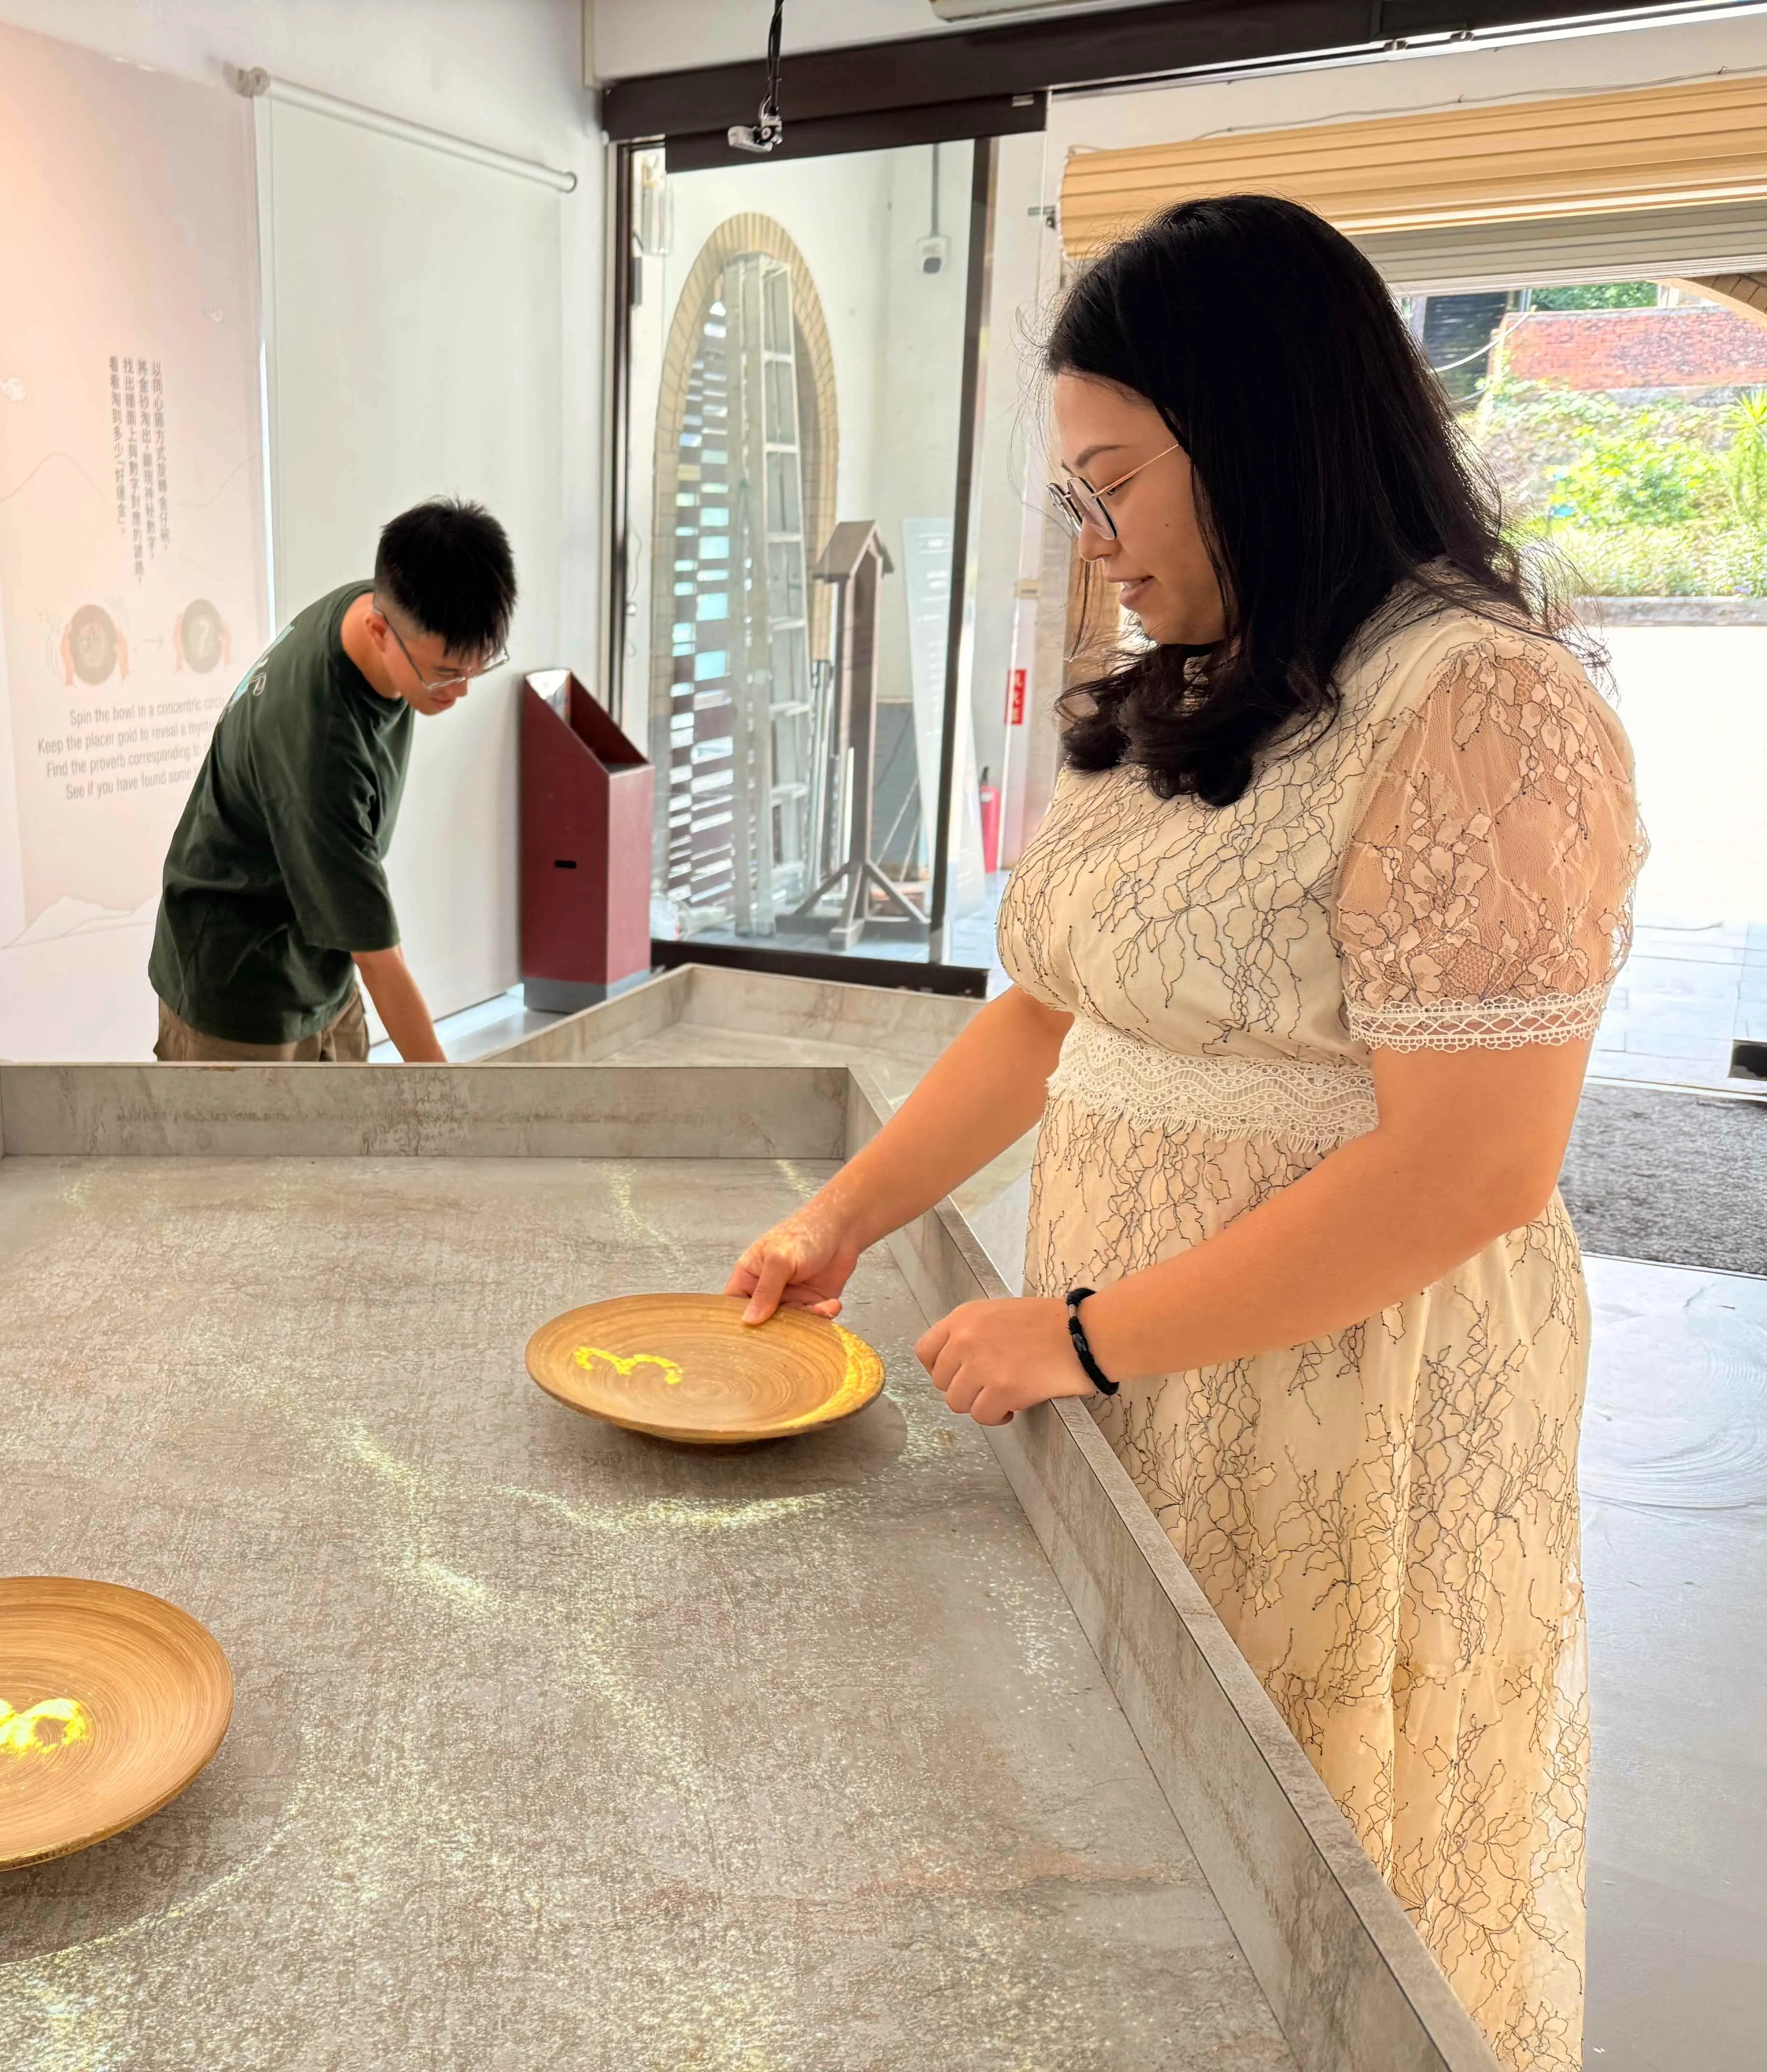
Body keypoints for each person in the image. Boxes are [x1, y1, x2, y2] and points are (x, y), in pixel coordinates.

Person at [725, 196, 1639, 2072]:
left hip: (1336, 1398)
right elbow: (1049, 1021)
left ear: (1271, 435)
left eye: (1119, 484)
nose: (1102, 544)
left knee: (1306, 1851)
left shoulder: (1483, 709)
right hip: (1144, 1364)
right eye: (1077, 499)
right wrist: (848, 1218)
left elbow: (1474, 1168)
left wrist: (1075, 1338)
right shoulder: (1201, 687)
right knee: (1138, 1813)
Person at [148, 499, 515, 1065]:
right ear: (380, 630)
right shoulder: (321, 748)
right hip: (240, 988)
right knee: (261, 1155)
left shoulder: (382, 606)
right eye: (446, 673)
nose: (461, 690)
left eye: (477, 667)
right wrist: (454, 1108)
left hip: (323, 960)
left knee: (347, 1146)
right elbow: (379, 959)